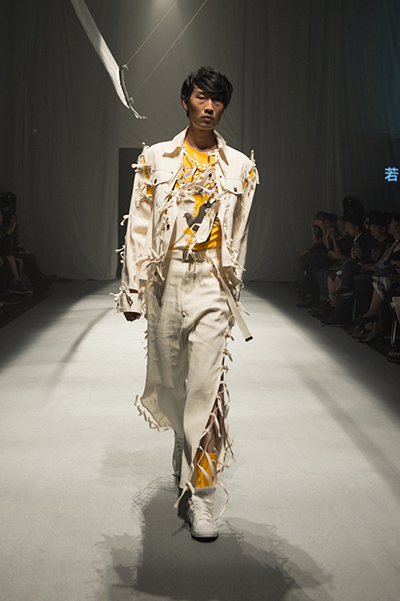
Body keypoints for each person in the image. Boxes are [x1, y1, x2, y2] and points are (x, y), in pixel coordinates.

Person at [114, 67, 258, 540]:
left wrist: (233, 289)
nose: (210, 107)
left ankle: (202, 496)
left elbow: (240, 233)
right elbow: (139, 224)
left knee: (208, 391)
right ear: (186, 101)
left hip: (213, 282)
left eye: (218, 100)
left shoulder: (239, 166)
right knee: (171, 383)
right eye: (201, 97)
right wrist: (133, 289)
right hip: (167, 279)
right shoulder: (156, 158)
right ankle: (183, 438)